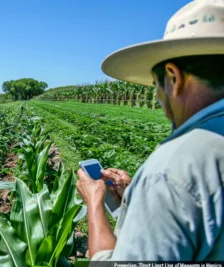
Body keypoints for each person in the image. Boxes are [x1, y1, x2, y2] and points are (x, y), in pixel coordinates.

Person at [76, 0, 224, 261]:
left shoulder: (173, 169)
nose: (157, 96)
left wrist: (95, 202)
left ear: (174, 78)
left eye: (156, 85)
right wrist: (136, 196)